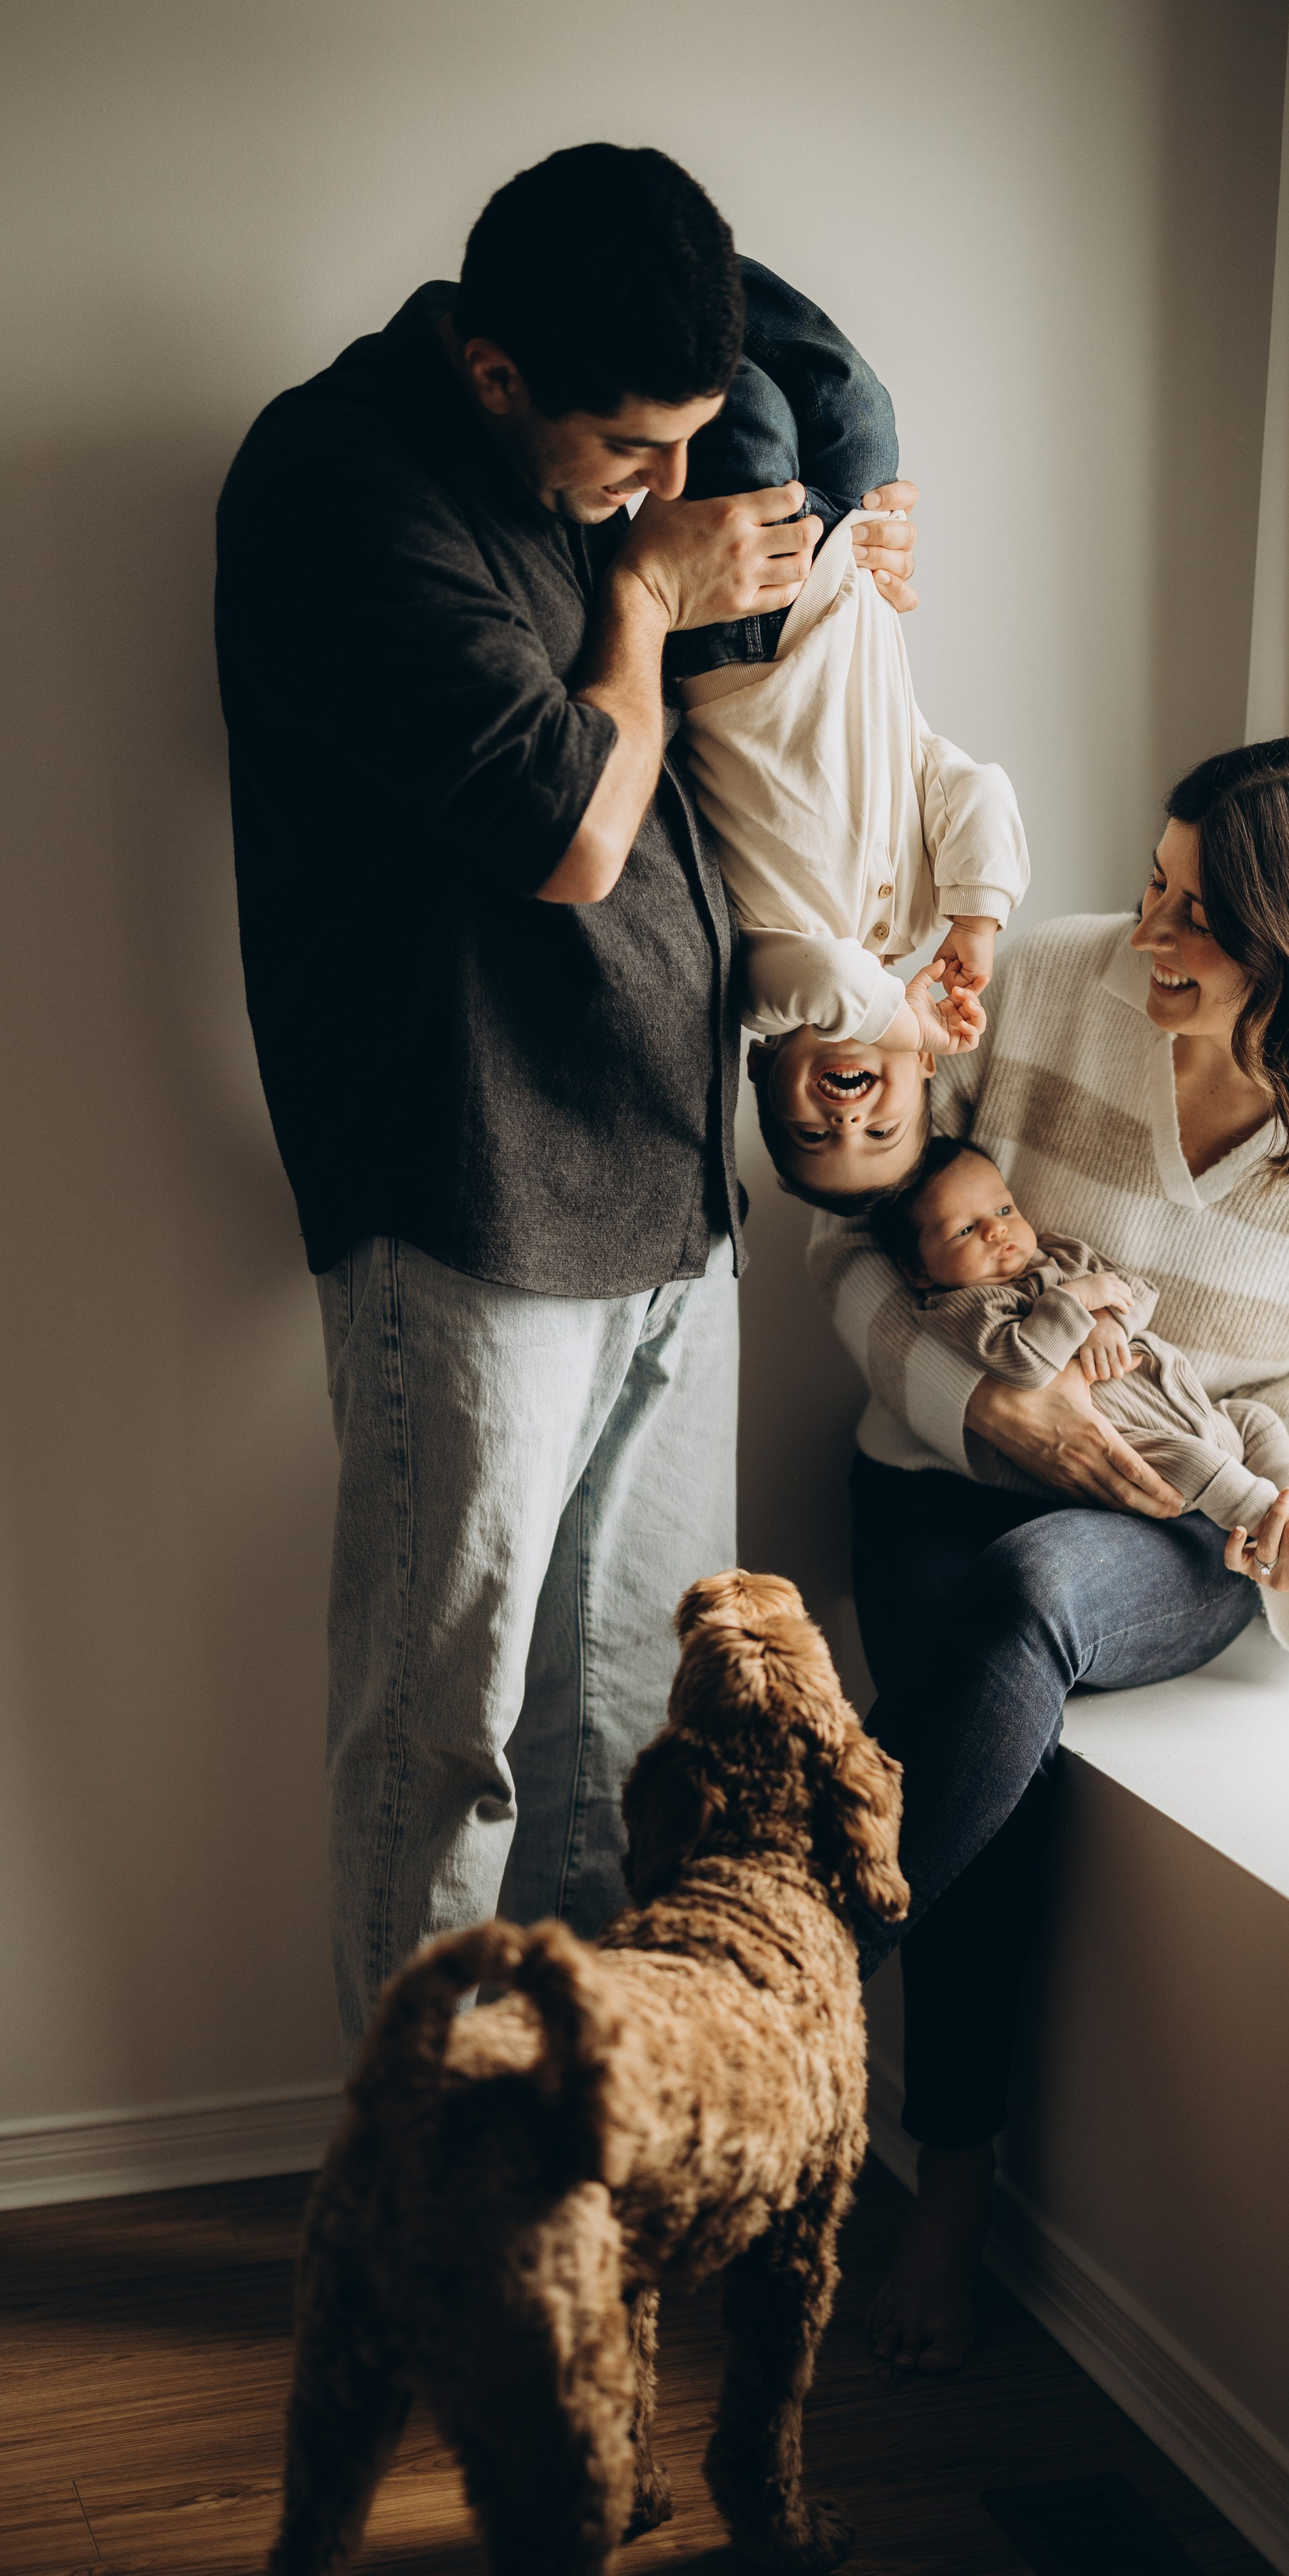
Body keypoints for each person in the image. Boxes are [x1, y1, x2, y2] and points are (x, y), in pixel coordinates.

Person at [213, 143, 918, 2054]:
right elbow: (572, 838)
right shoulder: (343, 481)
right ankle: (423, 2163)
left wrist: (848, 532)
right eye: (632, 446)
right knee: (444, 1745)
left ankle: (583, 2139)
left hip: (669, 1188)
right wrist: (642, 600)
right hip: (471, 1191)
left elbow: (799, 378)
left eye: (686, 443)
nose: (665, 483)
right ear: (494, 369)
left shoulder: (598, 462)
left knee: (628, 1732)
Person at [808, 736, 1289, 2373]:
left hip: (1188, 1524)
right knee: (989, 1714)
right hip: (939, 1469)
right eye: (1154, 886)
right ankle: (940, 2183)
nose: (1148, 934)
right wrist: (984, 1410)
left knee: (1027, 1600)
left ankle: (767, 1987)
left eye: (1198, 915)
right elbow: (848, 1238)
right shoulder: (1044, 982)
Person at [671, 265, 1029, 1204]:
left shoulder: (755, 988)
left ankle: (639, 283)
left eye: (811, 1134)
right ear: (924, 1073)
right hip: (849, 577)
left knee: (747, 416)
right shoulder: (917, 915)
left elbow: (831, 978)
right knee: (851, 399)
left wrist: (897, 1019)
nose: (845, 1120)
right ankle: (690, 260)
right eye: (881, 1129)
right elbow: (969, 784)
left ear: (763, 1073)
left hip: (742, 641)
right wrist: (974, 920)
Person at [869, 1138, 1289, 1552]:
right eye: (964, 1230)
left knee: (1254, 1419)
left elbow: (1138, 1291)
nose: (997, 1229)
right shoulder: (963, 1307)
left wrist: (1109, 1318)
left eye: (1004, 1208)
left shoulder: (1061, 1254)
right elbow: (1022, 1363)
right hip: (1133, 1446)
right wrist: (1077, 1301)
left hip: (1192, 1405)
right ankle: (1286, 1530)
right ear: (919, 1271)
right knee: (1202, 1464)